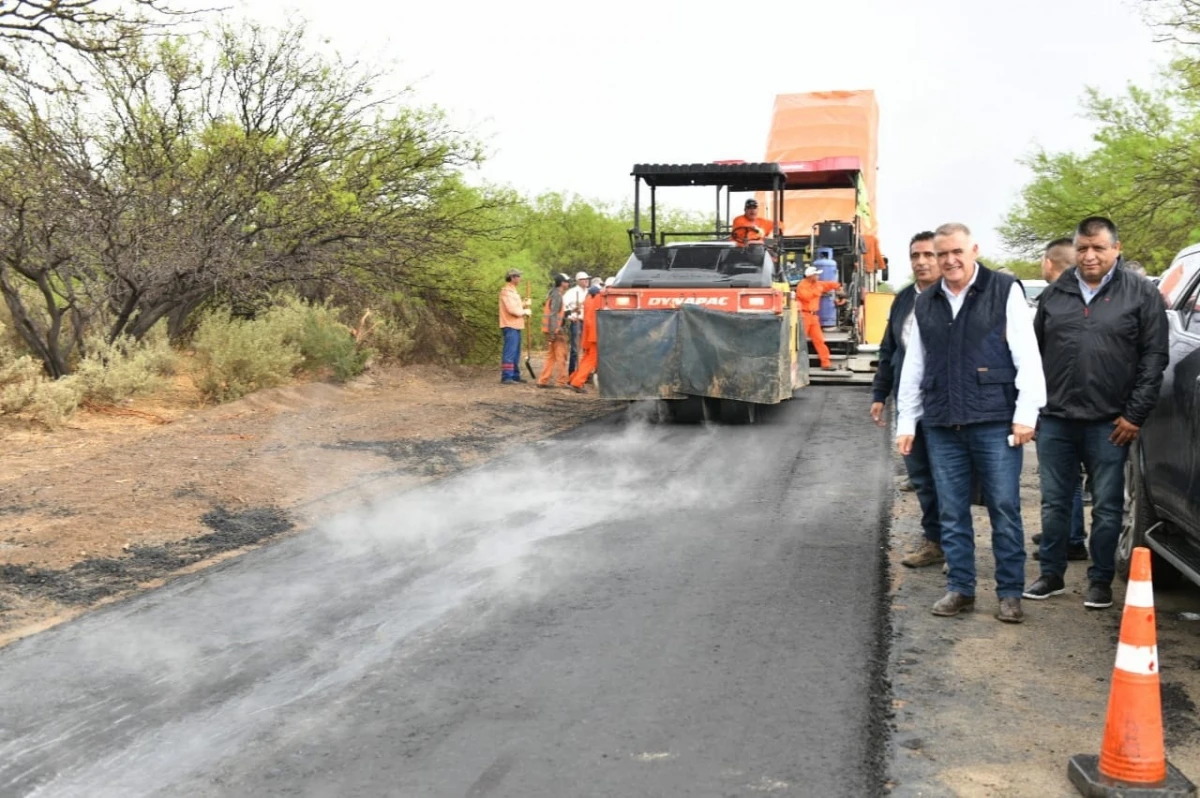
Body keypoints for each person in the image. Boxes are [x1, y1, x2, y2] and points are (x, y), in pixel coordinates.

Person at [896, 222, 1046, 624]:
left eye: (955, 252)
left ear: (973, 250)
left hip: (995, 420)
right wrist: (907, 421)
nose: (948, 260)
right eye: (941, 254)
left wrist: (1026, 414)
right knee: (951, 509)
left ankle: (1010, 593)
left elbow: (1027, 356)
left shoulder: (1003, 290)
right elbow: (915, 364)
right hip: (943, 422)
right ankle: (960, 588)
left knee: (1003, 507)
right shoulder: (927, 302)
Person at [1022, 217, 1169, 610]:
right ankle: (1050, 574)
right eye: (1083, 248)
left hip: (1111, 423)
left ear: (1116, 249)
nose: (1089, 256)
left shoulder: (1140, 294)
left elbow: (1154, 359)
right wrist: (1031, 410)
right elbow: (1034, 356)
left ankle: (1100, 580)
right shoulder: (1057, 294)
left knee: (1108, 507)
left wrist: (1134, 415)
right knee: (1054, 502)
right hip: (1056, 419)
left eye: (1098, 248)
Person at [871, 231, 942, 568]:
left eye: (929, 255)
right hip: (909, 400)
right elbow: (889, 348)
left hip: (947, 402)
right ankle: (934, 541)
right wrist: (880, 393)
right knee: (922, 475)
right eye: (916, 256)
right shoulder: (903, 299)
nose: (922, 262)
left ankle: (956, 546)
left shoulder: (956, 297)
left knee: (951, 476)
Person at [1031, 237, 1088, 560]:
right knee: (1068, 478)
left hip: (1060, 405)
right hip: (1072, 403)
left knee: (1064, 478)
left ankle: (1070, 538)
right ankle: (1064, 531)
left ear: (1049, 263)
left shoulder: (1055, 299)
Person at [795, 266, 841, 370]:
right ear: (810, 276)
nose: (818, 276)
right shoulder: (802, 286)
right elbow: (806, 297)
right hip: (804, 316)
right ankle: (796, 365)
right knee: (800, 342)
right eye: (816, 274)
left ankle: (826, 364)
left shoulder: (817, 284)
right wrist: (818, 290)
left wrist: (838, 286)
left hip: (813, 316)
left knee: (819, 340)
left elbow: (828, 284)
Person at [498, 268, 532, 384]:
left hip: (516, 325)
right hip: (509, 324)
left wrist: (524, 303)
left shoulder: (513, 291)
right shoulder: (506, 291)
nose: (520, 278)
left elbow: (516, 305)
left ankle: (514, 375)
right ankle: (507, 376)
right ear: (512, 278)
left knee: (516, 352)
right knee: (510, 352)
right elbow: (512, 309)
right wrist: (524, 312)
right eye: (518, 276)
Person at [538, 274, 571, 388]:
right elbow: (553, 314)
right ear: (562, 283)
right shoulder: (557, 295)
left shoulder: (552, 293)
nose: (568, 283)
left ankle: (543, 380)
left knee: (551, 356)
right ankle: (561, 381)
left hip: (551, 329)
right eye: (567, 281)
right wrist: (553, 332)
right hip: (556, 330)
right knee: (561, 356)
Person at [569, 284, 603, 393]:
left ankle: (573, 378)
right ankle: (577, 383)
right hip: (595, 335)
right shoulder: (598, 299)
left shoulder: (588, 299)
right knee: (591, 359)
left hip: (588, 334)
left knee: (586, 358)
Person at [563, 271, 590, 374]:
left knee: (586, 348)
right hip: (577, 322)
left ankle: (584, 373)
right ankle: (572, 372)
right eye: (584, 279)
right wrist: (570, 316)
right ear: (578, 281)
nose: (586, 280)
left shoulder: (589, 292)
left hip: (587, 322)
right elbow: (564, 306)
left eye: (587, 278)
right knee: (575, 349)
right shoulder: (572, 292)